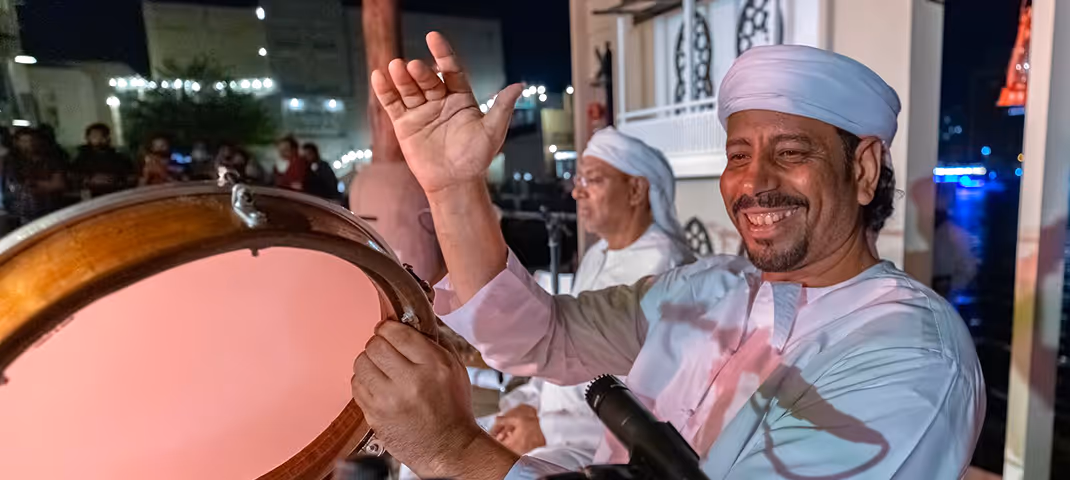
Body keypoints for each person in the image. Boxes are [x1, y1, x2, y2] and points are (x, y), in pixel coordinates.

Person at [352, 33, 984, 480]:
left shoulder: (910, 356)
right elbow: (540, 339)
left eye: (791, 152)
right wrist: (456, 186)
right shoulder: (707, 288)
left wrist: (455, 452)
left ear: (864, 170)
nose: (753, 180)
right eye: (739, 155)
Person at [487, 127, 695, 470]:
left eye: (592, 180)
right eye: (578, 180)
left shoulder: (666, 269)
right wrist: (527, 404)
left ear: (635, 190)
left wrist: (544, 427)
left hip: (603, 446)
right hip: (552, 425)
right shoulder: (597, 254)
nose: (576, 192)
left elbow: (651, 399)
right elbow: (568, 345)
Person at [2, 128, 68, 227]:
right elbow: (15, 186)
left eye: (31, 140)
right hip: (23, 211)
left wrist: (37, 184)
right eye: (23, 141)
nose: (28, 144)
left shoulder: (50, 159)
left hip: (50, 208)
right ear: (17, 142)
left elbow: (59, 184)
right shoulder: (11, 161)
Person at [70, 123, 136, 199]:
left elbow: (130, 177)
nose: (100, 138)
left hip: (115, 194)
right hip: (90, 195)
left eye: (103, 135)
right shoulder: (82, 157)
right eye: (95, 136)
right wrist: (91, 179)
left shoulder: (119, 157)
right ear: (88, 138)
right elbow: (73, 176)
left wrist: (115, 180)